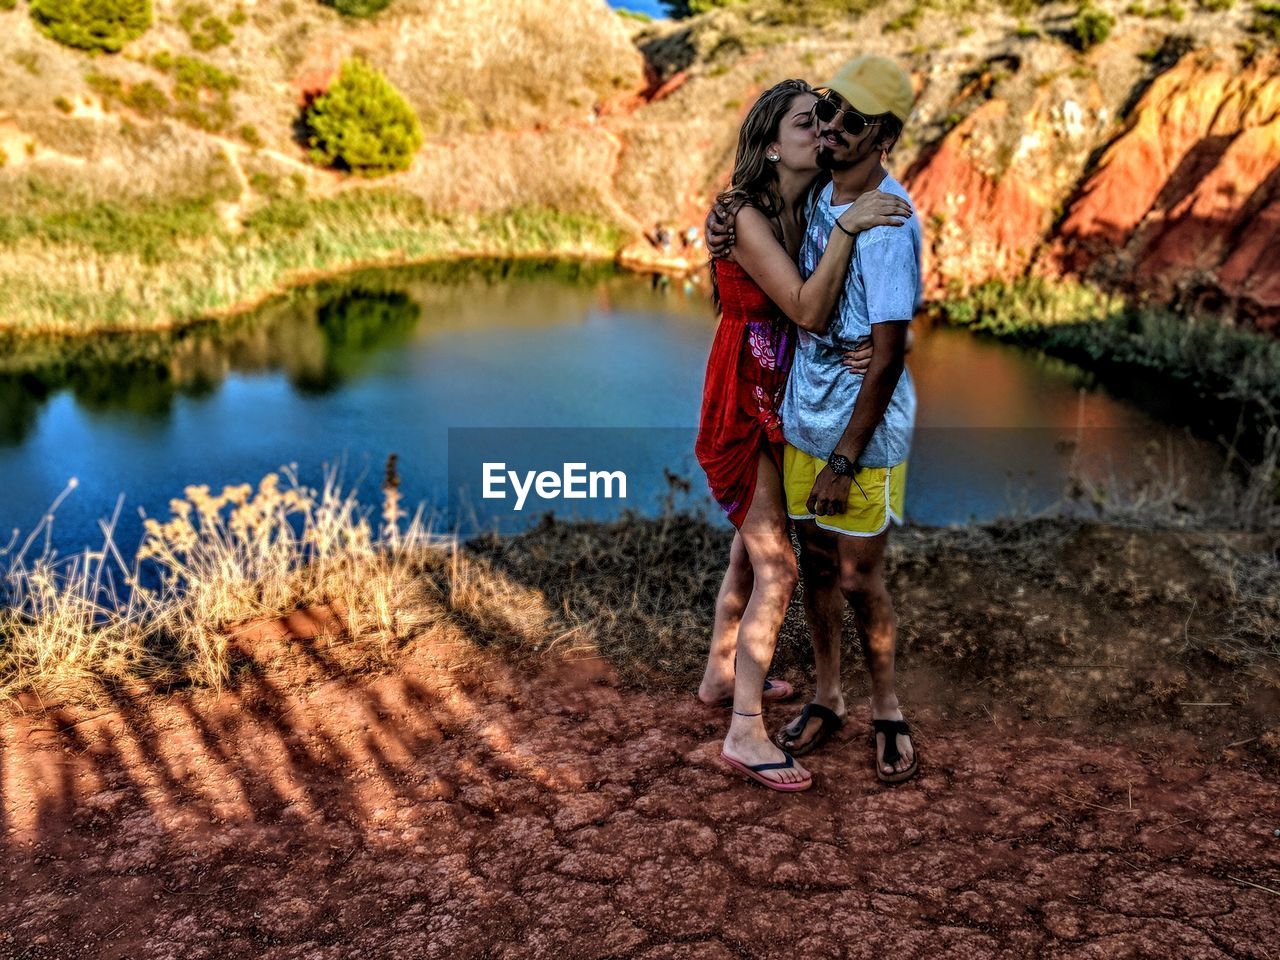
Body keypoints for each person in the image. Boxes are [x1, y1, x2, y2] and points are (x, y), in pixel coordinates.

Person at [694, 78, 912, 792]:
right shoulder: (749, 213)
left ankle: (719, 679)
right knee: (778, 565)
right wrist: (847, 244)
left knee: (745, 556)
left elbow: (856, 302)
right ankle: (746, 733)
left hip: (780, 393)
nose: (821, 131)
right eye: (804, 122)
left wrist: (867, 341)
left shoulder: (809, 203)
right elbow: (803, 307)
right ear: (766, 142)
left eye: (825, 119)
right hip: (745, 397)